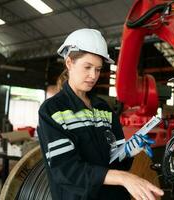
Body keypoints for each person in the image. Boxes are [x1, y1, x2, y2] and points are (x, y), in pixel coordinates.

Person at [37, 28, 164, 200]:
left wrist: (127, 151)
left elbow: (115, 161)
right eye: (87, 67)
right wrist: (122, 178)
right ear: (69, 63)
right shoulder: (52, 110)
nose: (93, 76)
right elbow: (67, 170)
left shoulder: (103, 108)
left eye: (98, 69)